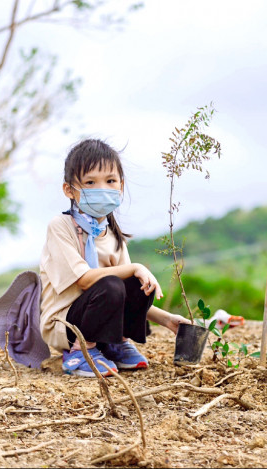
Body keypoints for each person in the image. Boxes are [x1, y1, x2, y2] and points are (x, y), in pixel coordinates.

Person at [39, 138, 190, 377]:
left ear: (121, 185)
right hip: (66, 324)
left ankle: (115, 343)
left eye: (110, 181)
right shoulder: (61, 227)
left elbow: (124, 295)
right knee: (112, 281)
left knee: (134, 283)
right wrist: (135, 267)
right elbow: (86, 281)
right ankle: (81, 351)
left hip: (100, 317)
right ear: (69, 189)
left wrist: (168, 319)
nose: (103, 188)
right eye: (90, 182)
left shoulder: (113, 236)